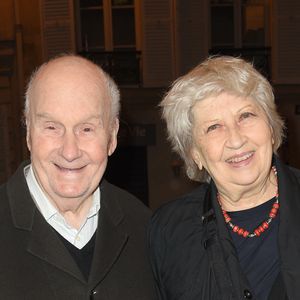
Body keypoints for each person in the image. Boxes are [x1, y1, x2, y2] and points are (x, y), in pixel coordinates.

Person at [0, 54, 156, 299]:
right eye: (52, 127)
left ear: (112, 136)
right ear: (29, 132)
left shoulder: (148, 229)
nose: (70, 151)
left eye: (87, 129)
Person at [148, 56, 300, 300]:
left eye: (246, 116)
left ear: (271, 129)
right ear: (195, 154)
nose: (236, 139)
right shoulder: (169, 230)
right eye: (213, 127)